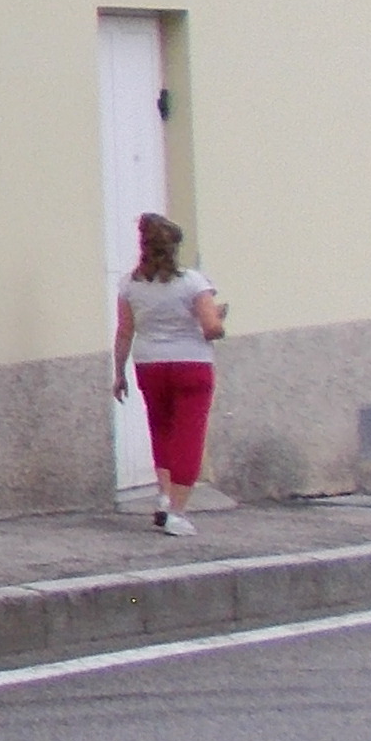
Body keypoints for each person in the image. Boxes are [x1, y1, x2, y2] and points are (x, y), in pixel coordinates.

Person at [111, 210, 228, 535]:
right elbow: (211, 329)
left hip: (149, 363)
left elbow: (123, 332)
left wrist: (119, 372)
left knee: (160, 428)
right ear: (174, 247)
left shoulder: (130, 286)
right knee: (189, 435)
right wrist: (220, 317)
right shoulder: (193, 283)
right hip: (192, 364)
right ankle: (177, 512)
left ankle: (164, 496)